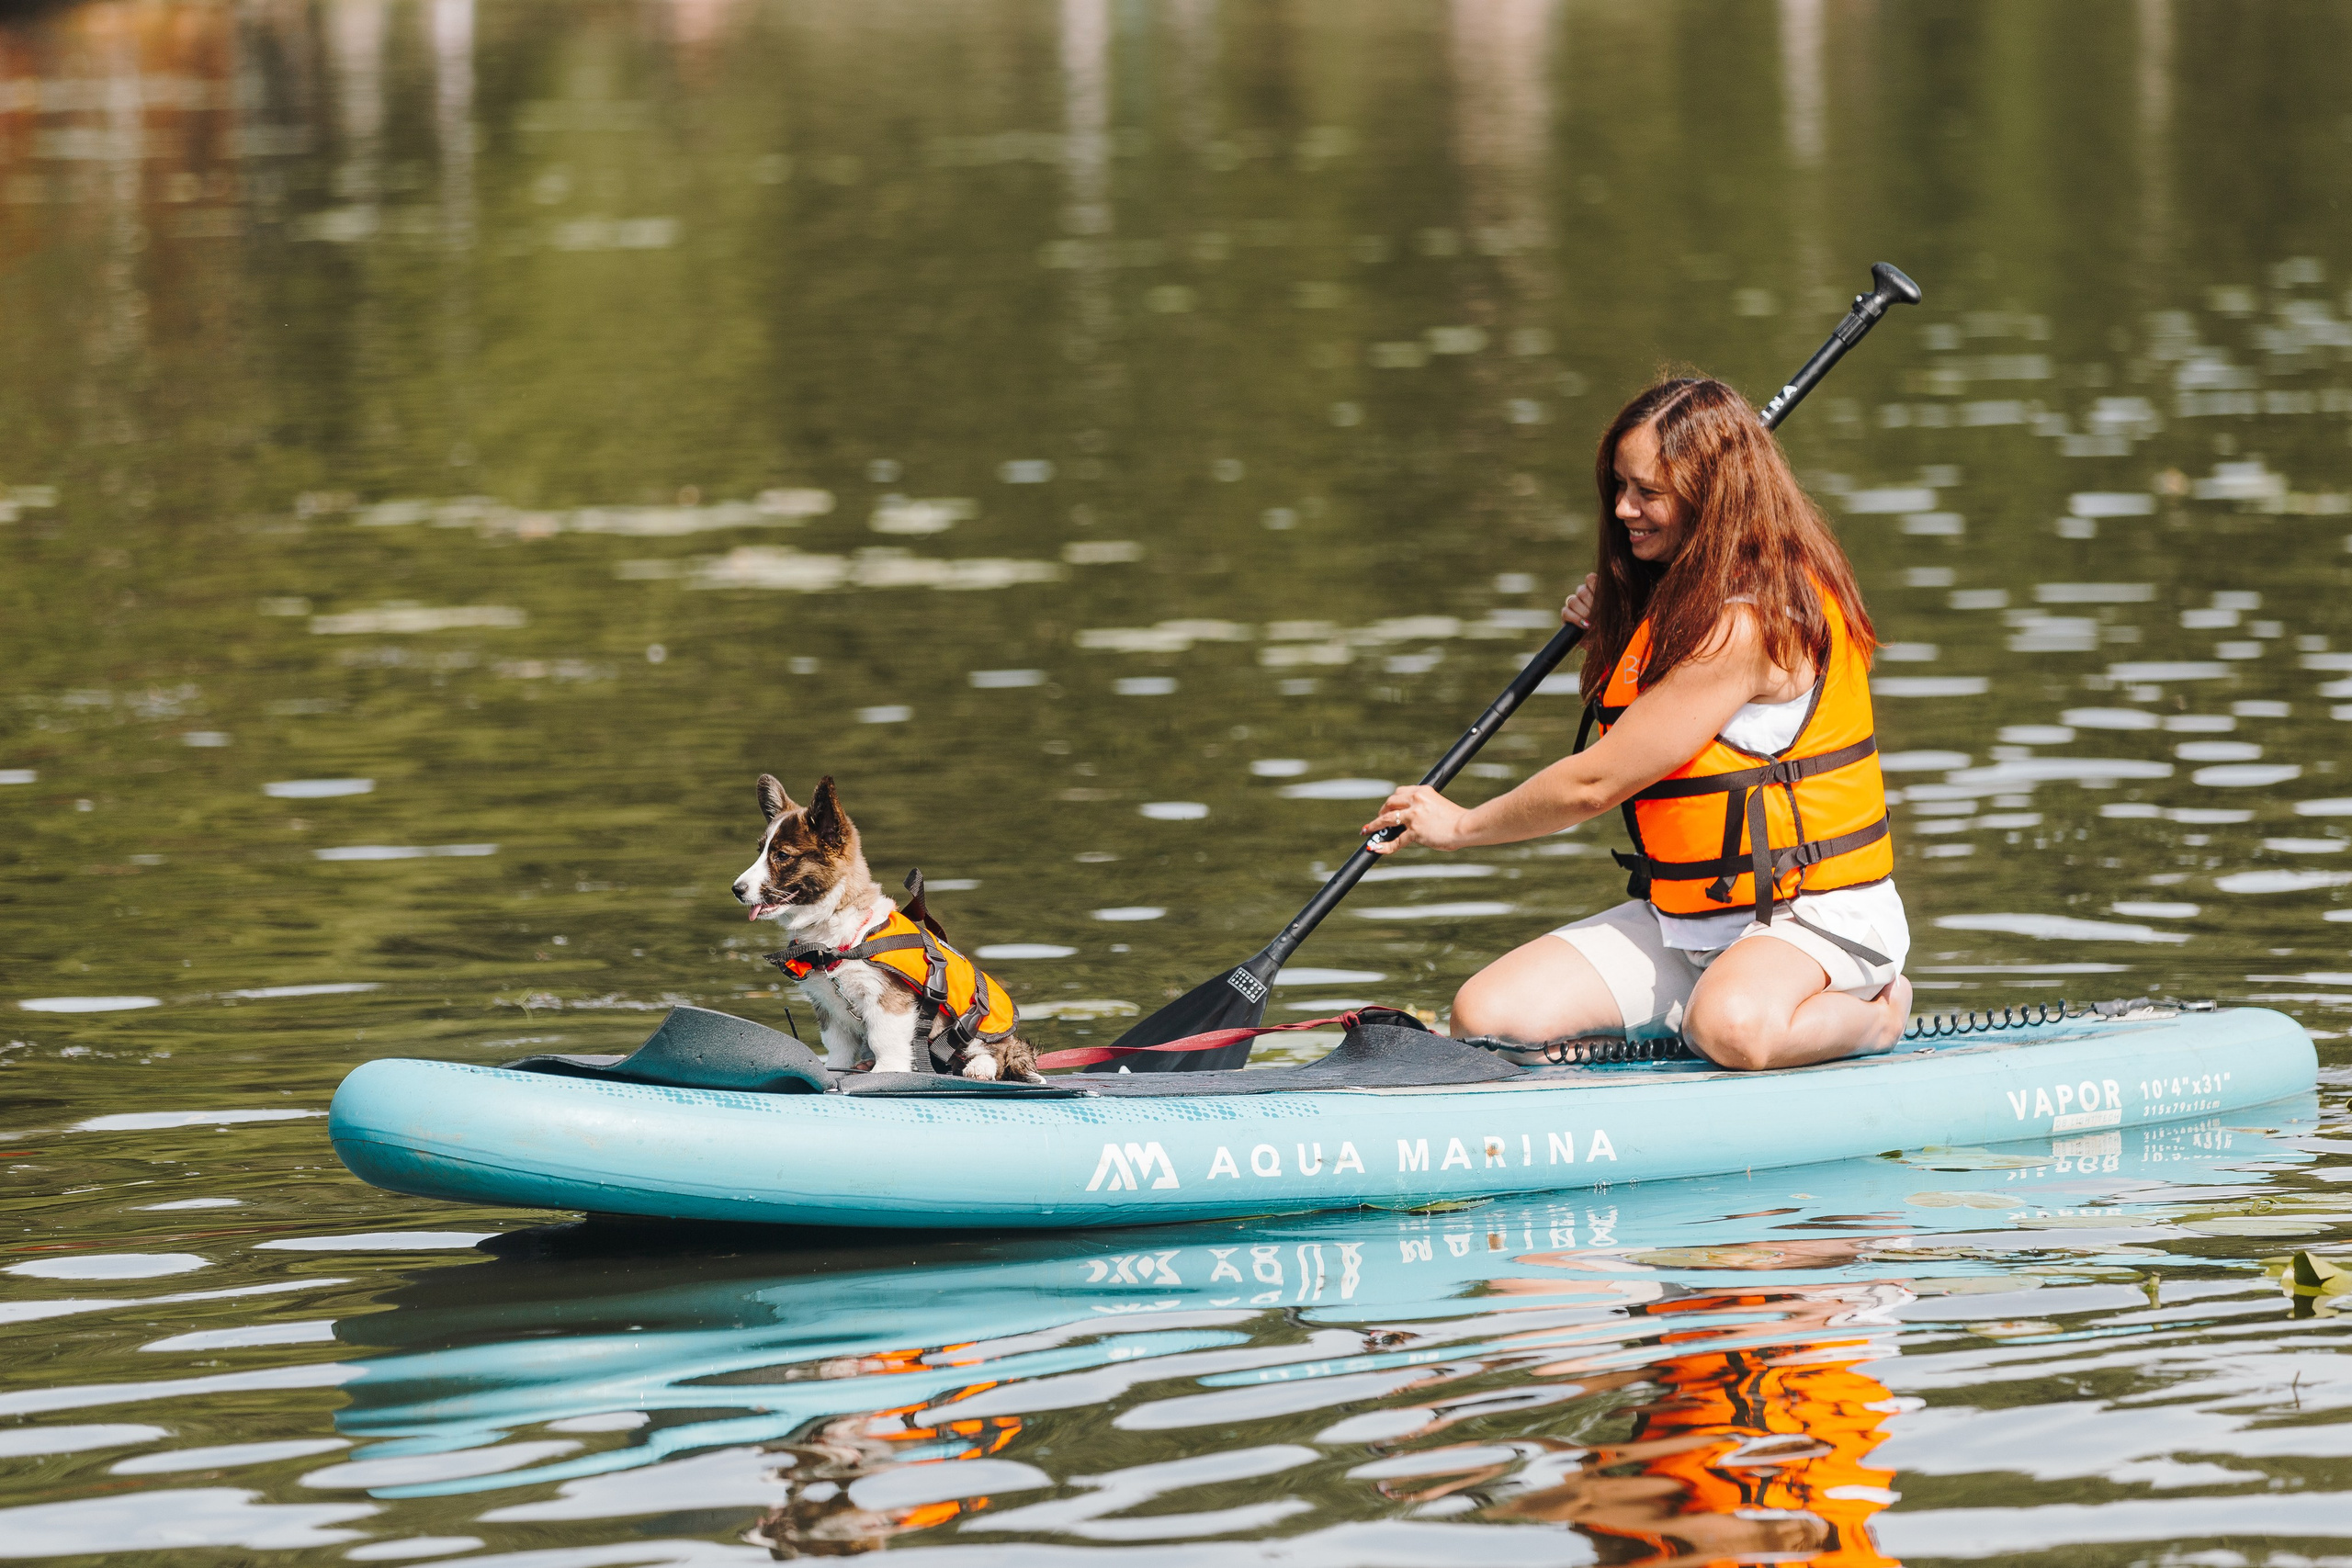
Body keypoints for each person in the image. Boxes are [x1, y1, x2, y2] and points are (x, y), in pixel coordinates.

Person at [1363, 376, 1910, 1070]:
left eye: (1648, 492)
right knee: (1490, 1018)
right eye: (1619, 486)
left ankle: (1876, 1017)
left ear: (1711, 497)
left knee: (1732, 1027)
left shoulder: (1751, 625)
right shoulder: (1679, 603)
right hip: (1692, 921)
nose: (1624, 508)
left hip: (1818, 917)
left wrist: (1459, 826)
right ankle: (1695, 1024)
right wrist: (1621, 627)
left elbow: (1594, 784)